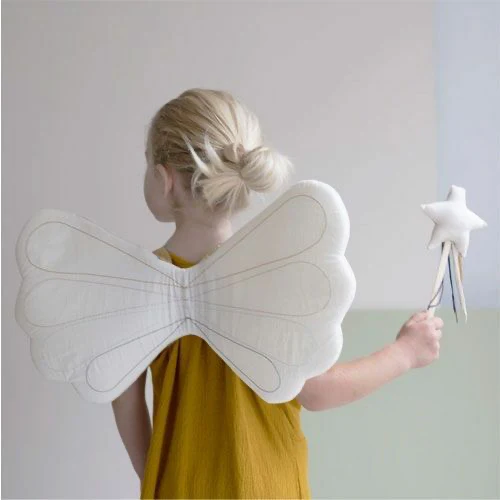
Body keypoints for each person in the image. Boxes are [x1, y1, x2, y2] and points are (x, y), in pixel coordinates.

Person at [111, 88, 444, 499]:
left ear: (165, 180)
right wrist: (405, 352)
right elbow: (317, 391)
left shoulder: (139, 283)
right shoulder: (272, 276)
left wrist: (158, 478)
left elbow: (123, 399)